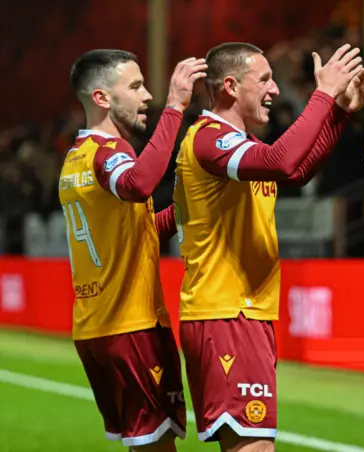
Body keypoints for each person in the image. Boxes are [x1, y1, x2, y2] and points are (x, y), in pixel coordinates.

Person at [172, 42, 364, 451]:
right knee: (253, 447)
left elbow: (296, 171)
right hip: (224, 312)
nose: (275, 90)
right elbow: (282, 162)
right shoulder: (210, 140)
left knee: (255, 444)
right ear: (231, 86)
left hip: (244, 311)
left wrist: (341, 111)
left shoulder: (240, 144)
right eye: (264, 80)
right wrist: (323, 95)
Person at [60, 49, 206, 451]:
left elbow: (137, 230)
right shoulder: (111, 153)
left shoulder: (75, 158)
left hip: (94, 327)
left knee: (143, 445)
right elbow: (138, 184)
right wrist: (176, 107)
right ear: (102, 98)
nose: (148, 97)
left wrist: (187, 209)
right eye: (136, 87)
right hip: (131, 324)